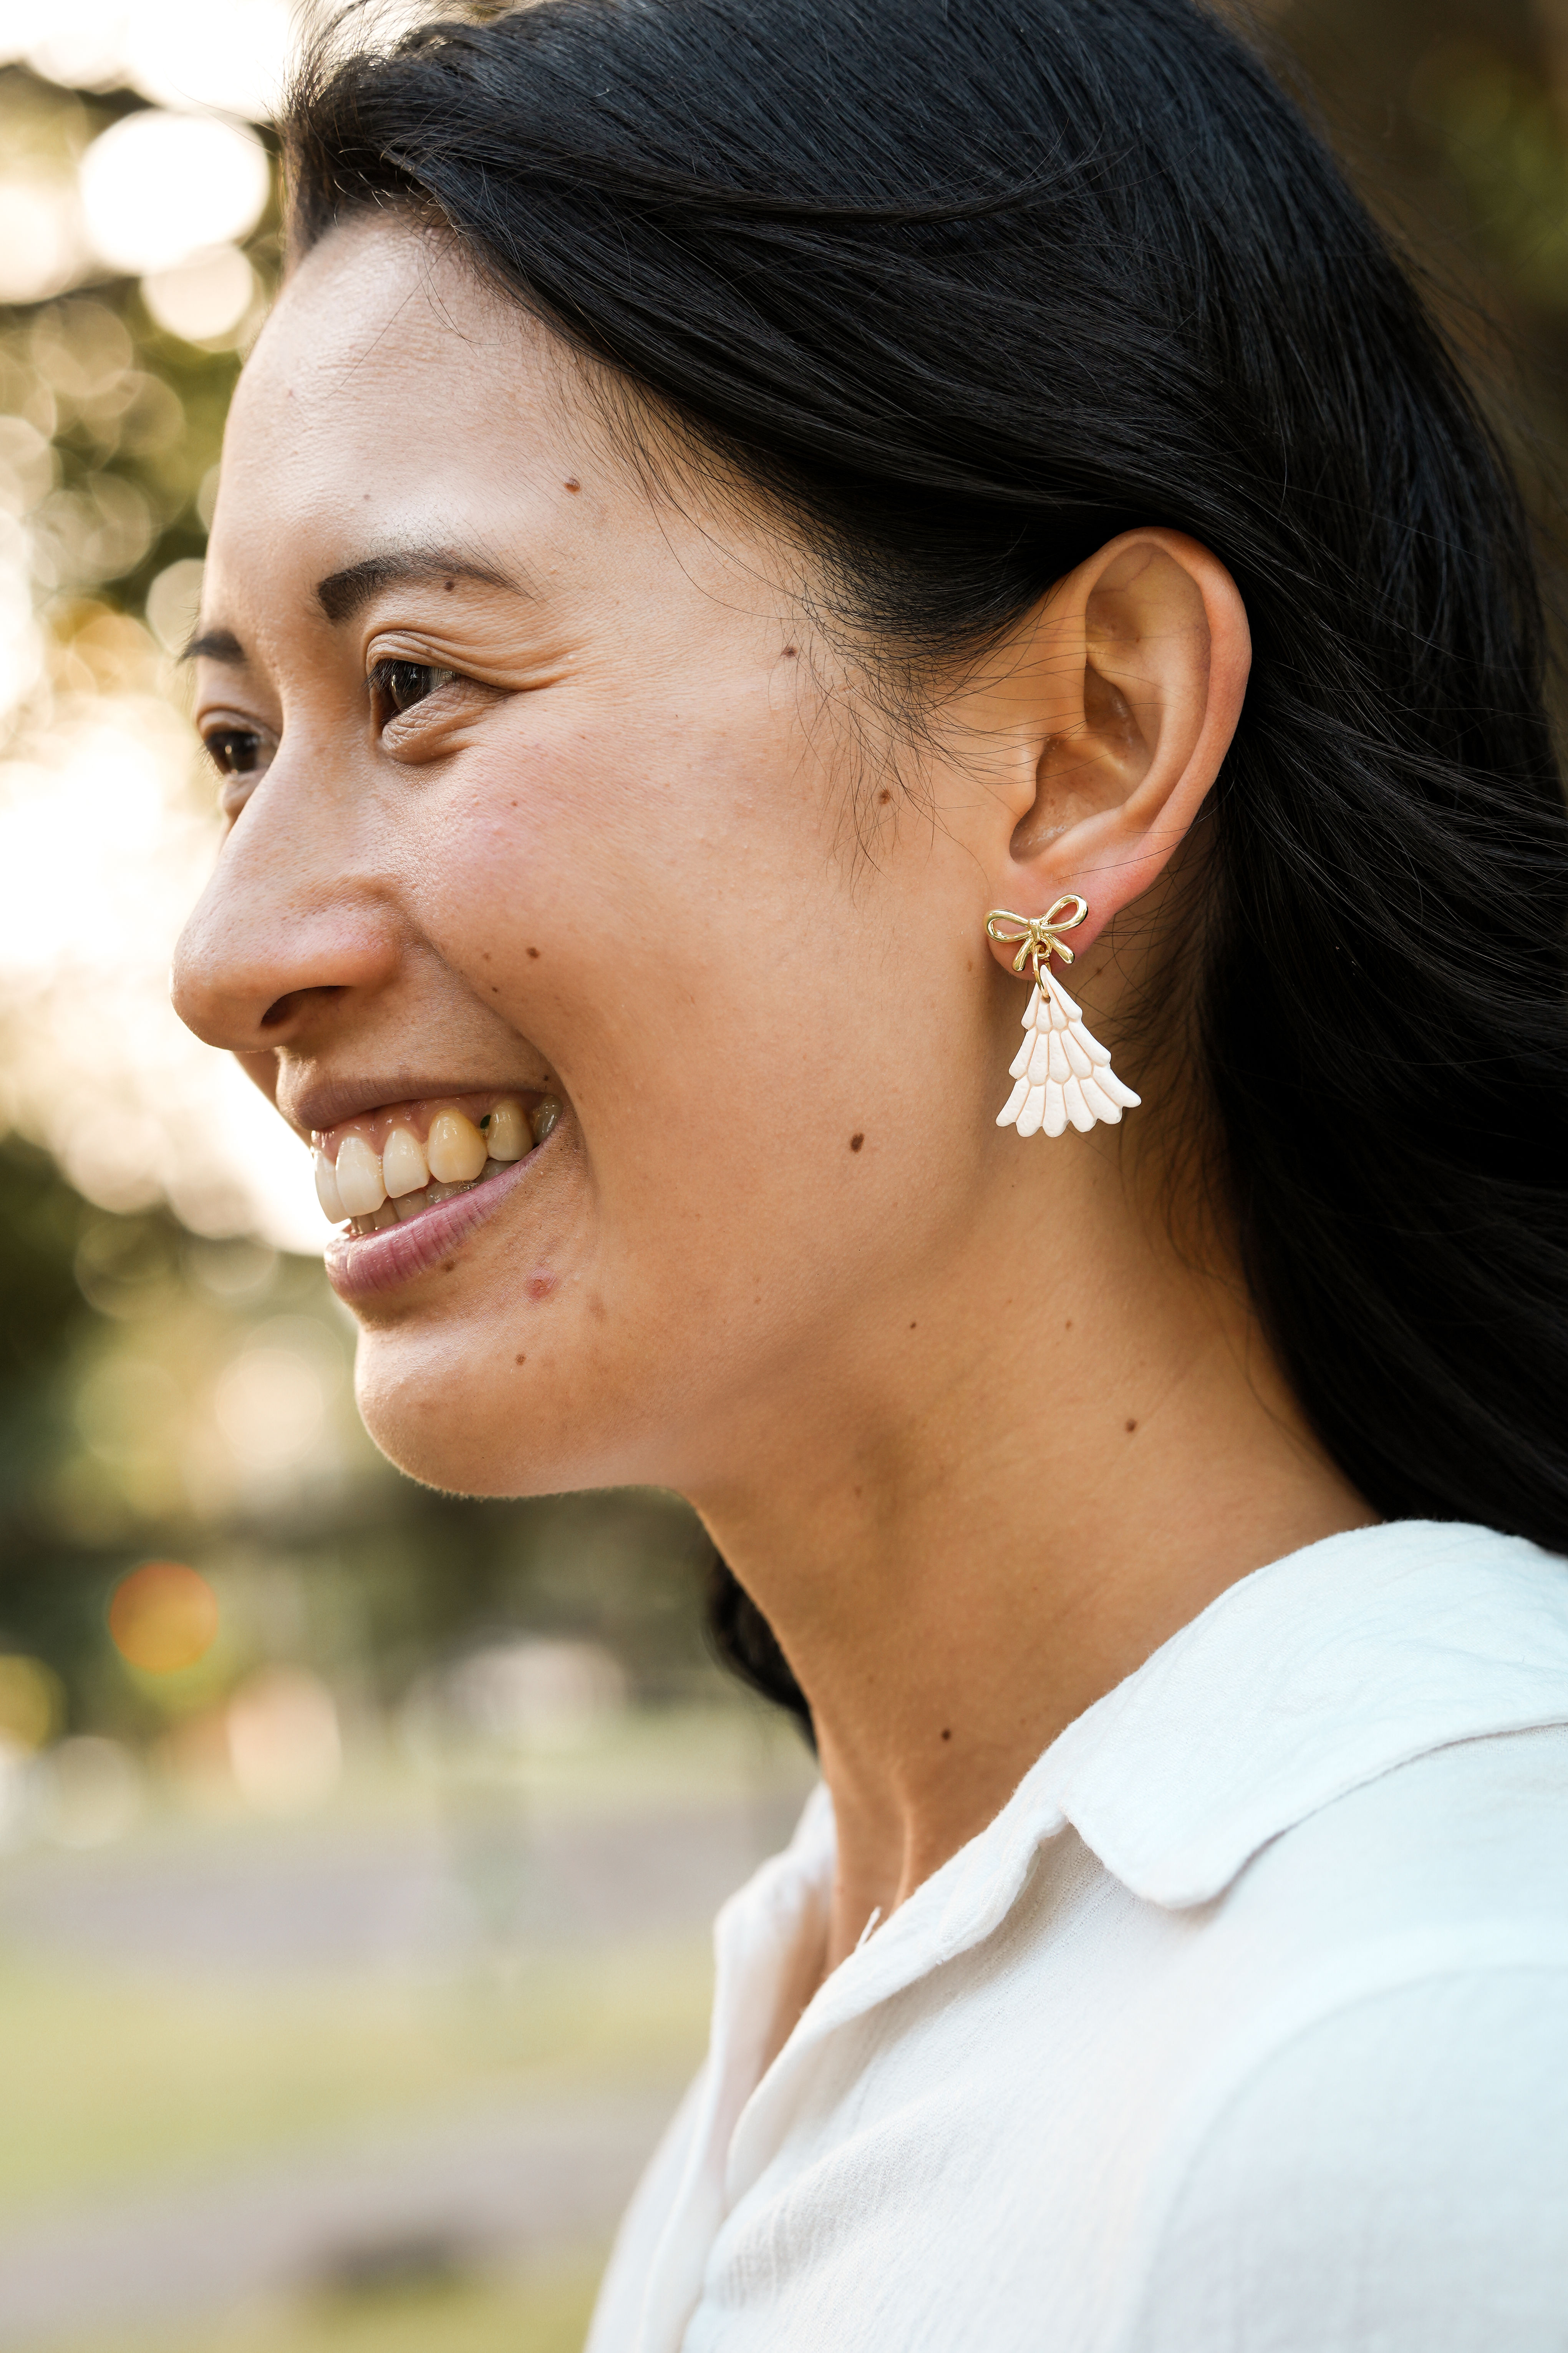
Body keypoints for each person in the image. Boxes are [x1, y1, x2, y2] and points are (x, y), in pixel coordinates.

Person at [171, 0, 1568, 2343]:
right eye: (236, 740)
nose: (226, 954)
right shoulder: (856, 1970)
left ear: (1081, 746)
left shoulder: (1407, 2054)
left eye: (415, 681)